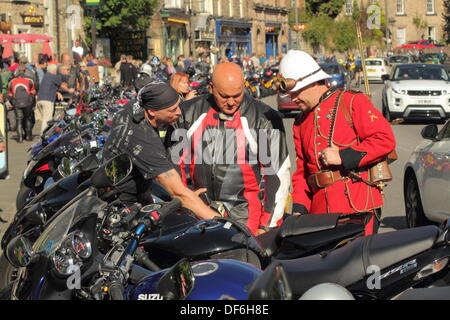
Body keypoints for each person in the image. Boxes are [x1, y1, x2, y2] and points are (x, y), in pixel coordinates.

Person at [279, 50, 396, 235]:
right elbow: (302, 173)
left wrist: (342, 156)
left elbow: (385, 140)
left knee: (358, 263)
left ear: (314, 82)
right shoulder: (300, 122)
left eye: (295, 92)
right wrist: (299, 210)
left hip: (357, 207)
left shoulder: (351, 102)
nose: (293, 99)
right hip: (319, 215)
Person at [170, 62, 291, 236]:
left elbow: (277, 174)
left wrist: (267, 226)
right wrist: (182, 201)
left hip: (245, 218)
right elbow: (175, 163)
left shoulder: (262, 118)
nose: (231, 102)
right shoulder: (189, 112)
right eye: (224, 96)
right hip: (198, 213)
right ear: (211, 88)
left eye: (237, 95)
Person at [102, 79, 220, 221]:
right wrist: (224, 224)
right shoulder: (141, 136)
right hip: (122, 207)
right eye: (172, 110)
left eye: (179, 106)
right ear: (152, 112)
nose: (178, 113)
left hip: (141, 192)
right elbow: (177, 193)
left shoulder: (140, 104)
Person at [35, 64, 74, 135]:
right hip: (47, 100)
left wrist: (56, 92)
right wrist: (69, 90)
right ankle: (44, 135)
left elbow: (48, 86)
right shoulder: (54, 76)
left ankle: (45, 133)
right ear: (54, 71)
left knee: (44, 118)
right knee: (47, 120)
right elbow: (62, 85)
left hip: (40, 100)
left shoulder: (46, 76)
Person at [7, 66, 36, 142]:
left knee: (19, 120)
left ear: (16, 72)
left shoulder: (12, 81)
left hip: (17, 102)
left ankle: (20, 138)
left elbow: (10, 94)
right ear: (25, 71)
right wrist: (31, 100)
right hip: (27, 102)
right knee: (27, 118)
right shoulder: (29, 80)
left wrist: (12, 102)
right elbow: (33, 92)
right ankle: (28, 137)